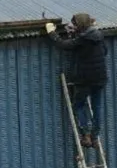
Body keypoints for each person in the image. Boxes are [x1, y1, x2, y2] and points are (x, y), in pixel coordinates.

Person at [45, 13, 108, 148]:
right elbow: (104, 51)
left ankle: (85, 135)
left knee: (79, 105)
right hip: (100, 78)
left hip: (84, 79)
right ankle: (95, 137)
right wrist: (74, 35)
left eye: (75, 24)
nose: (73, 26)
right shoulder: (99, 36)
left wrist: (52, 32)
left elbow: (64, 45)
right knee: (97, 107)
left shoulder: (83, 39)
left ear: (81, 25)